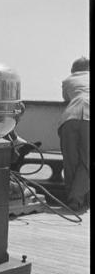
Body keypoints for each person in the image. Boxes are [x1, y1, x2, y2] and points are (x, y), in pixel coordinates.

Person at [58, 56, 90, 212]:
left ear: (73, 69)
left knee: (70, 161)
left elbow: (66, 98)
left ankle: (73, 199)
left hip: (69, 118)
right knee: (87, 162)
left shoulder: (67, 80)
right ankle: (77, 199)